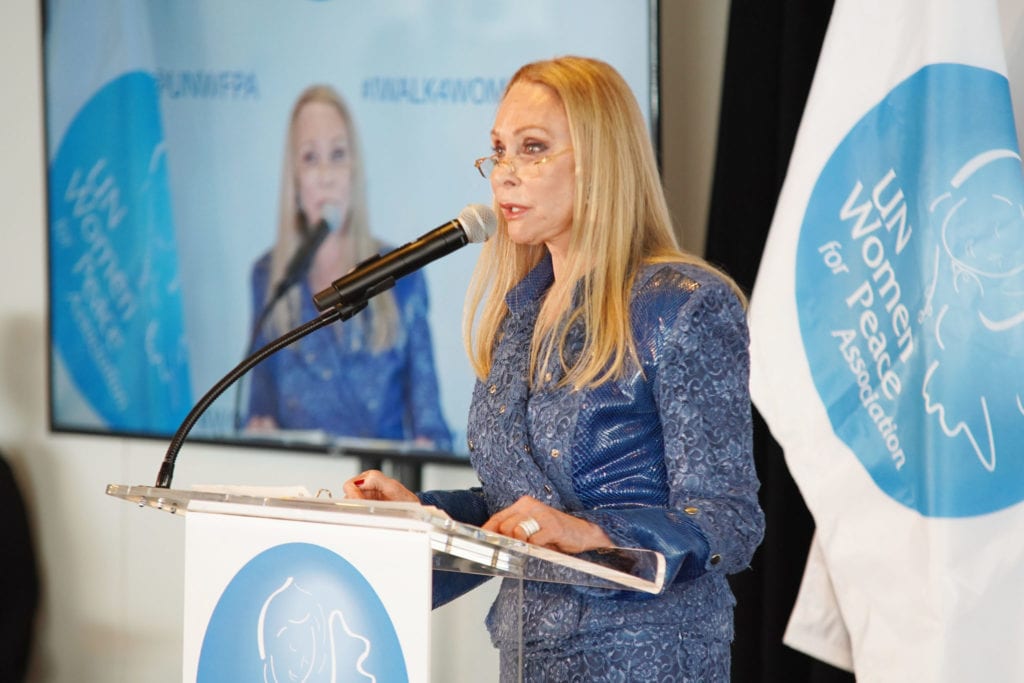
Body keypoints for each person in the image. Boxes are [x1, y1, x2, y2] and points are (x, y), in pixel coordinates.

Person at [342, 56, 764, 681]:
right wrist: (420, 514)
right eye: (498, 152)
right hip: (528, 656)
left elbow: (730, 519)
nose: (505, 175)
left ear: (600, 163)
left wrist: (590, 533)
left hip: (647, 658)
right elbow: (520, 509)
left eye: (532, 149)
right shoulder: (519, 314)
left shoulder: (683, 306)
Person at [246, 84, 452, 449]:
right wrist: (257, 432)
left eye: (338, 155)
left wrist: (426, 452)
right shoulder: (269, 278)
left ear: (354, 170)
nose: (326, 174)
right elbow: (259, 415)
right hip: (300, 496)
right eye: (310, 158)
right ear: (294, 179)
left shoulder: (401, 273)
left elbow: (432, 430)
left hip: (378, 492)